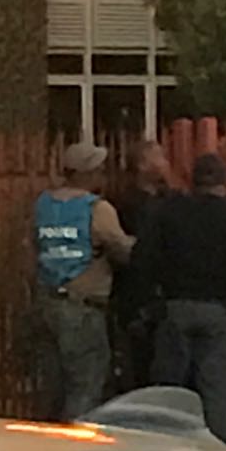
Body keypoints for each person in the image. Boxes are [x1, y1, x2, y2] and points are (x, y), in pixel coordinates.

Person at [135, 153, 226, 442]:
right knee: (216, 387)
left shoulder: (169, 213)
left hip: (176, 307)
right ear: (224, 181)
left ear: (193, 181)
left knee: (169, 388)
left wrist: (149, 306)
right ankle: (214, 447)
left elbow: (143, 259)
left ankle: (167, 443)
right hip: (222, 313)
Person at [33, 142, 135, 421]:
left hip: (47, 302)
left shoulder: (44, 204)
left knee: (53, 389)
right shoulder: (97, 209)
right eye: (99, 169)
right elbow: (121, 250)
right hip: (83, 308)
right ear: (87, 173)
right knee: (85, 386)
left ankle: (47, 441)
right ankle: (75, 442)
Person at [110, 141, 176, 392]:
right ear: (142, 165)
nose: (165, 163)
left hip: (163, 297)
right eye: (159, 158)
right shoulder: (129, 204)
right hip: (137, 298)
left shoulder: (167, 200)